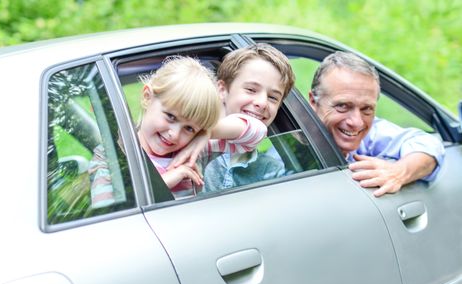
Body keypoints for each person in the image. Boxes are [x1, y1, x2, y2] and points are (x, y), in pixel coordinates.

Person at [89, 55, 268, 205]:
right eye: (171, 117)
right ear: (147, 97)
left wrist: (207, 134)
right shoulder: (112, 156)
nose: (174, 134)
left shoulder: (192, 151)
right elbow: (107, 210)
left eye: (189, 128)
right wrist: (166, 181)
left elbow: (257, 132)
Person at [308, 51, 445, 197]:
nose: (357, 122)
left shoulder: (368, 136)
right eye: (342, 106)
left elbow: (428, 144)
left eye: (366, 109)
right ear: (313, 102)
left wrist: (399, 171)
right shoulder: (286, 145)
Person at [172, 43, 296, 192]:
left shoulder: (270, 169)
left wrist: (206, 132)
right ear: (222, 90)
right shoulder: (180, 137)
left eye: (273, 97)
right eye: (251, 90)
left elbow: (257, 130)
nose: (262, 103)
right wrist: (198, 132)